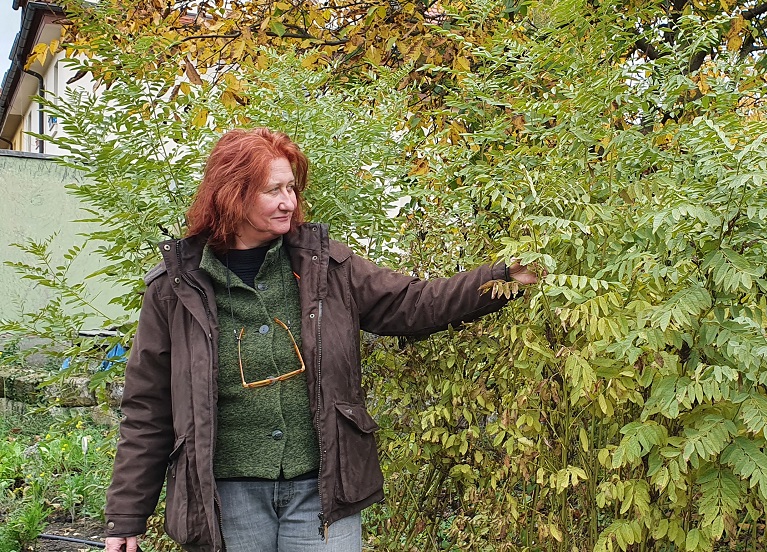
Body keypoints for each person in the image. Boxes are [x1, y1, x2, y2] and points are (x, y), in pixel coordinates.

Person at [103, 128, 537, 552]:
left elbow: (414, 302)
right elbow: (148, 408)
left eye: (292, 188)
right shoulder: (176, 287)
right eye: (274, 190)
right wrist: (126, 515)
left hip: (322, 489)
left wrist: (501, 278)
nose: (289, 202)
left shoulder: (326, 266)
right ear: (231, 193)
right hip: (226, 496)